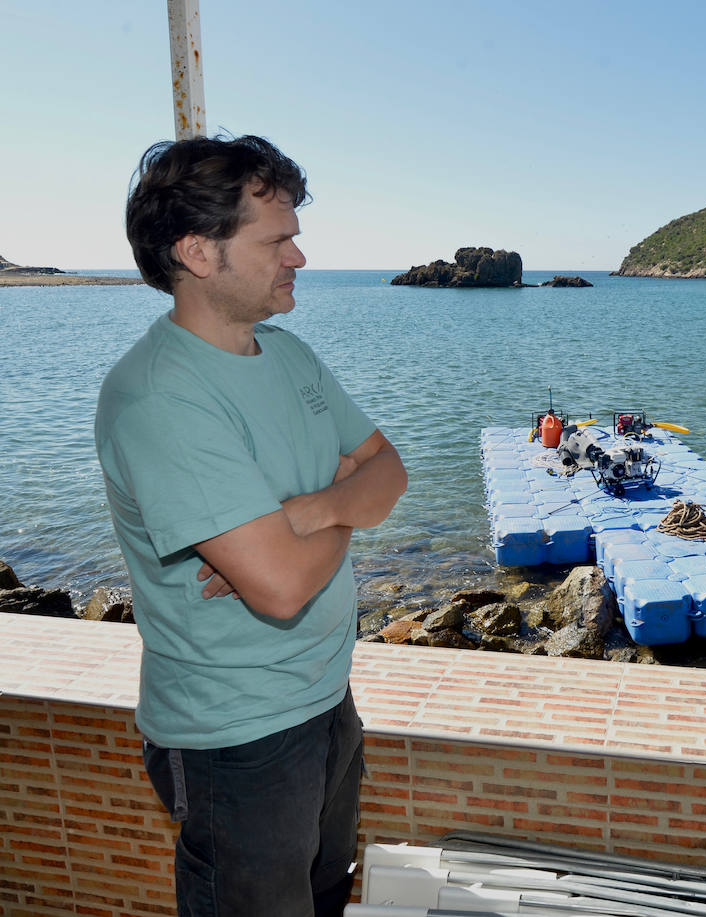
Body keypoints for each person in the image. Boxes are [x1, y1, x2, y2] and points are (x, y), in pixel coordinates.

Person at [95, 134, 408, 916]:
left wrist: (310, 511)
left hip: (327, 702)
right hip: (236, 740)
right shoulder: (161, 398)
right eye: (277, 239)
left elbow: (391, 472)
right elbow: (280, 587)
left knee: (326, 894)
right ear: (198, 253)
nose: (299, 256)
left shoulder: (291, 357)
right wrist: (343, 500)